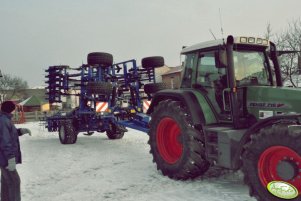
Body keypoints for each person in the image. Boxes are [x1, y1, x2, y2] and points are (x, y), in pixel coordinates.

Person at [0, 101, 31, 201]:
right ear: (11, 110)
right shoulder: (3, 121)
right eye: (15, 109)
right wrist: (10, 159)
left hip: (3, 158)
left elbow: (9, 134)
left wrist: (20, 131)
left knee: (6, 182)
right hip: (5, 158)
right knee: (14, 182)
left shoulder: (5, 119)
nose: (16, 111)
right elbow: (5, 141)